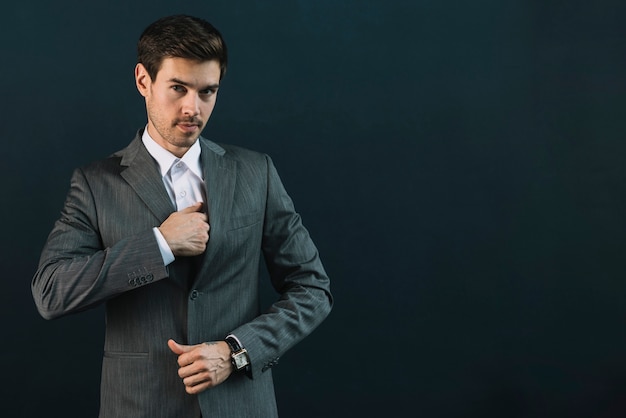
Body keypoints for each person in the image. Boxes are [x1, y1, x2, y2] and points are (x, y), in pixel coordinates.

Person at [31, 14, 332, 418]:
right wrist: (159, 245)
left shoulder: (256, 172)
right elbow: (51, 292)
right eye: (178, 88)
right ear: (143, 81)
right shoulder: (94, 184)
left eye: (207, 92)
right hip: (140, 406)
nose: (193, 108)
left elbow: (312, 288)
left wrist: (236, 352)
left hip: (241, 407)